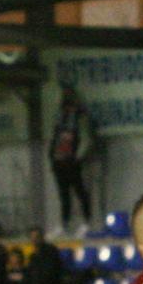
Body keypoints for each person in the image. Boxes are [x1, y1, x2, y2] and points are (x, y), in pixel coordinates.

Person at [48, 88, 98, 235]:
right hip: (59, 161)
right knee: (64, 195)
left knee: (80, 192)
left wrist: (78, 158)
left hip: (72, 162)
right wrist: (52, 156)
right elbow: (54, 138)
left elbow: (86, 139)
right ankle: (64, 224)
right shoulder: (59, 116)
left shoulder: (79, 118)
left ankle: (87, 222)